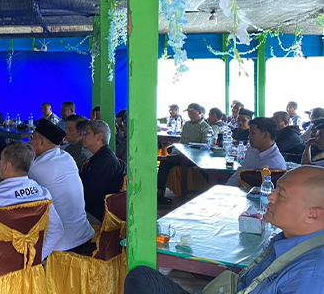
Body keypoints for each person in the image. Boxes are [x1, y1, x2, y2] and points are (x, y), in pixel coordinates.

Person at [126, 166, 324, 294]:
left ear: (313, 214)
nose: (270, 196)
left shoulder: (313, 275)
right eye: (275, 189)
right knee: (142, 277)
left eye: (281, 195)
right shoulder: (286, 239)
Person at [0, 141, 64, 280]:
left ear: (6, 166)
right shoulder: (43, 194)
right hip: (28, 268)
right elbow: (57, 231)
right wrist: (35, 257)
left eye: (1, 159)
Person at [28, 119, 94, 252]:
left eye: (32, 138)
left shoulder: (36, 168)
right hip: (84, 233)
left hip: (62, 242)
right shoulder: (67, 157)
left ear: (42, 142)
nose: (29, 143)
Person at [79, 120, 126, 221]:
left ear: (99, 137)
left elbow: (90, 195)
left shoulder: (104, 161)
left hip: (98, 215)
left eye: (87, 133)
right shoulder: (101, 156)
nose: (82, 137)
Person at [226, 117, 287, 186]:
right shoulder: (252, 150)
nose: (249, 137)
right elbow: (240, 172)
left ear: (265, 135)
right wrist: (227, 188)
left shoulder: (275, 164)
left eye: (253, 133)